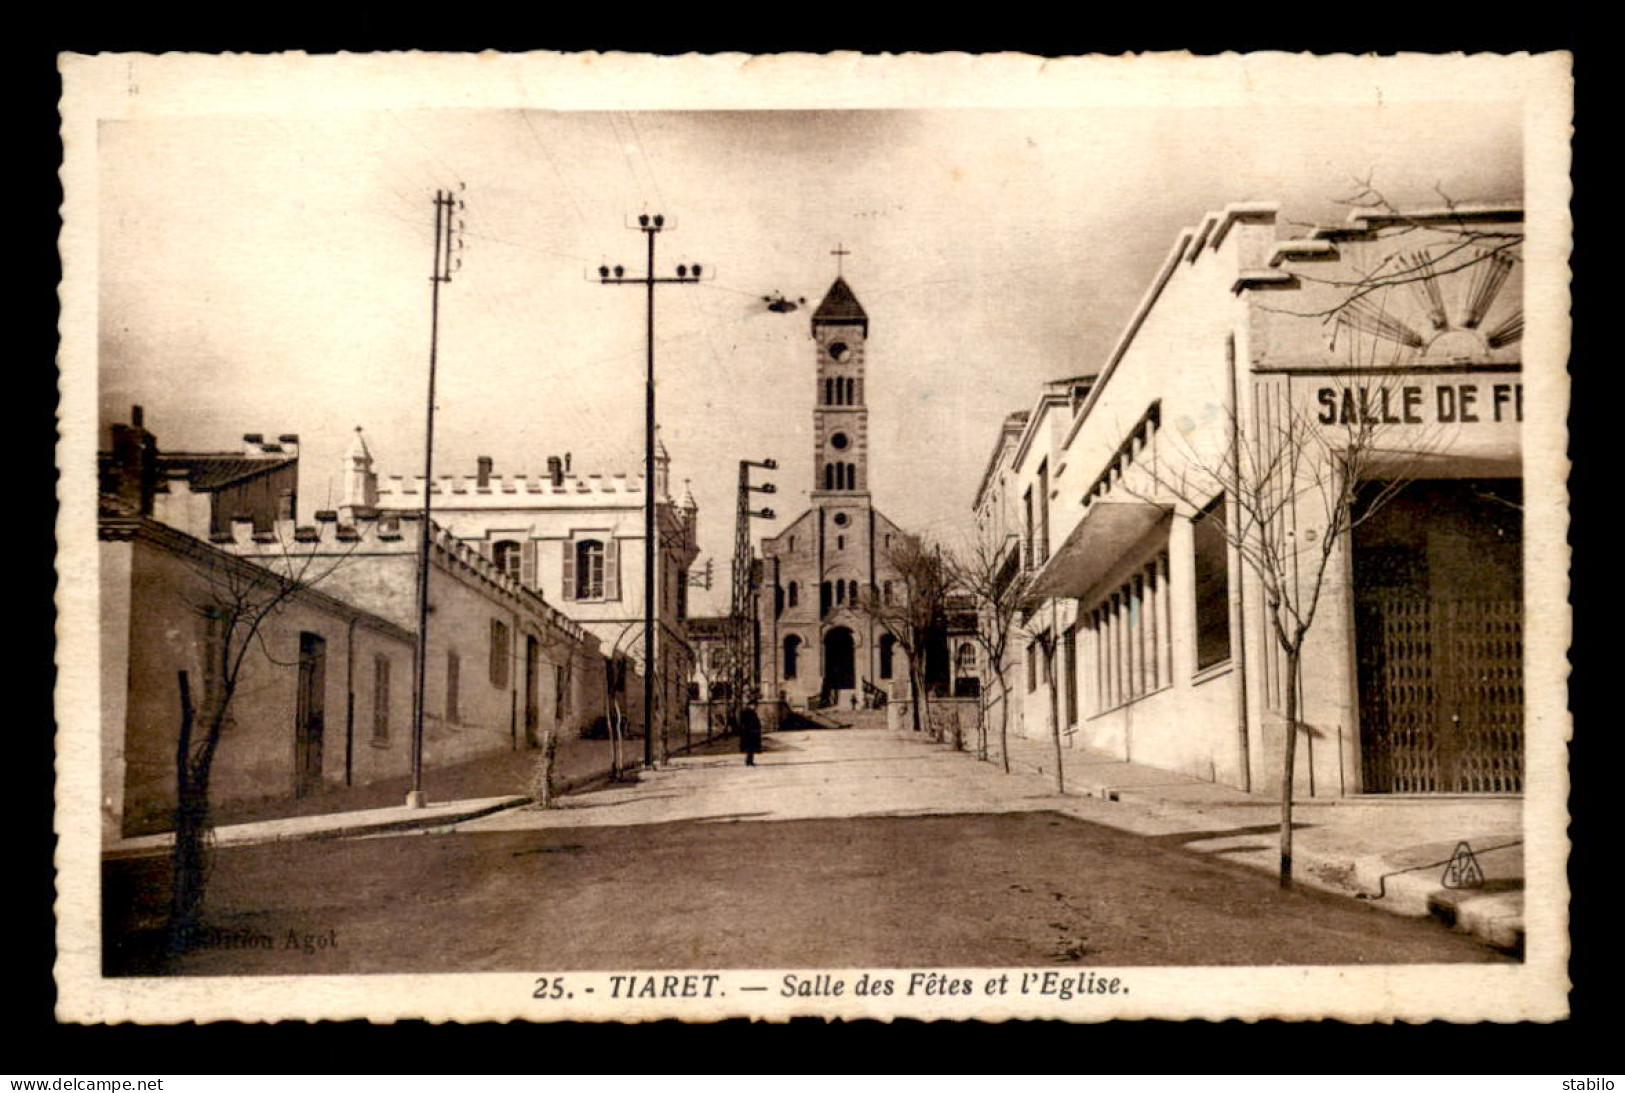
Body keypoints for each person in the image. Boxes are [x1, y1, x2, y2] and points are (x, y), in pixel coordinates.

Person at [739, 700, 763, 767]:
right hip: (748, 733)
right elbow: (743, 723)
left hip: (753, 732)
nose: (755, 707)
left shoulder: (753, 713)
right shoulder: (746, 712)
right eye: (753, 705)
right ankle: (748, 761)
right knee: (749, 747)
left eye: (755, 706)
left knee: (752, 747)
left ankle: (750, 761)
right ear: (749, 705)